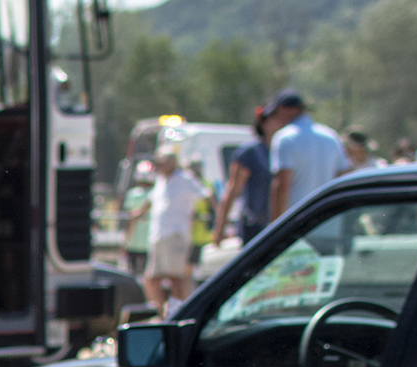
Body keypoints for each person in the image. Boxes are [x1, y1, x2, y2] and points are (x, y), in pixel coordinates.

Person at [128, 148, 207, 311]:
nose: (159, 165)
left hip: (175, 235)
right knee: (151, 279)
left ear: (172, 162)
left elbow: (205, 196)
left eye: (161, 162)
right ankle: (162, 311)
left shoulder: (184, 179)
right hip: (158, 235)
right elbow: (152, 200)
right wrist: (139, 214)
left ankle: (177, 311)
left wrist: (207, 217)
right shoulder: (161, 179)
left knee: (175, 279)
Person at [266, 88, 348, 220]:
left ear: (286, 109)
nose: (276, 117)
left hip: (297, 224)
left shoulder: (285, 138)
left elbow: (282, 184)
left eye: (276, 112)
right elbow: (344, 176)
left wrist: (274, 226)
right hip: (329, 221)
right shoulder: (331, 136)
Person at [214, 105, 288, 245]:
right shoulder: (251, 152)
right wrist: (220, 227)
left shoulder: (285, 150)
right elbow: (233, 190)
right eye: (276, 119)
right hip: (256, 225)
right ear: (264, 123)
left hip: (281, 223)